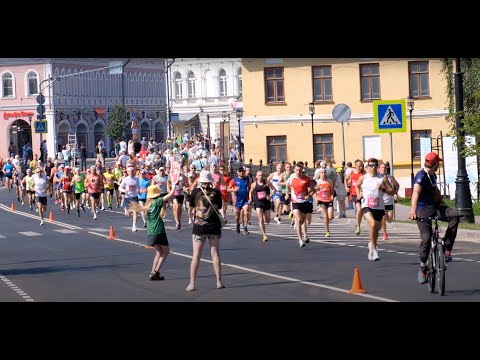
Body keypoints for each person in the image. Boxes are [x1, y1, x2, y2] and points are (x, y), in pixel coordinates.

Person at [409, 152, 460, 284]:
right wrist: (413, 210)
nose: (439, 166)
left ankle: (447, 249)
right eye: (438, 163)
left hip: (437, 206)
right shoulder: (421, 177)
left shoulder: (432, 175)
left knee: (454, 215)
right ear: (435, 164)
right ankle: (422, 268)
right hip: (423, 210)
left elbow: (435, 191)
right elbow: (415, 192)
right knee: (426, 238)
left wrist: (440, 201)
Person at [186, 170, 224, 291]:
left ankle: (192, 283)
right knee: (215, 254)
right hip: (214, 226)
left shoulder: (195, 192)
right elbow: (219, 206)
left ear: (201, 181)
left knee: (196, 255)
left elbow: (190, 207)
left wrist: (191, 216)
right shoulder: (216, 192)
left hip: (199, 226)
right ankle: (218, 281)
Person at [129, 184, 176, 280]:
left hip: (150, 232)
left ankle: (152, 273)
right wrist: (174, 185)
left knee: (159, 252)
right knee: (166, 252)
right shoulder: (157, 201)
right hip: (158, 230)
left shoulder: (147, 205)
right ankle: (156, 271)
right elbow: (170, 194)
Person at [355, 158, 395, 261]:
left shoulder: (382, 178)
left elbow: (391, 191)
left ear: (377, 167)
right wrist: (359, 194)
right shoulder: (363, 178)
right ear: (367, 167)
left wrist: (382, 189)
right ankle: (374, 249)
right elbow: (357, 185)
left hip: (379, 207)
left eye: (375, 165)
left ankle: (373, 244)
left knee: (376, 230)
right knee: (372, 224)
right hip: (366, 205)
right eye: (371, 165)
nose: (373, 167)